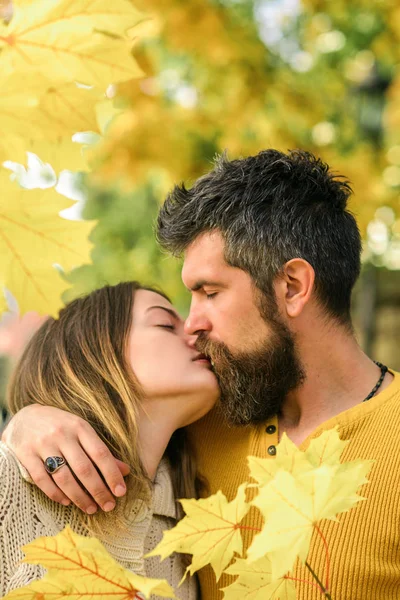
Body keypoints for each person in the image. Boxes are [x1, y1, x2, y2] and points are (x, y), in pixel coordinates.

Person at [3, 149, 400, 599]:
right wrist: (25, 422)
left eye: (210, 292)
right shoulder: (204, 423)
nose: (193, 323)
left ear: (292, 286)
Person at [0, 281, 218, 598]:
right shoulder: (10, 486)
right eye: (165, 324)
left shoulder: (190, 526)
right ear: (90, 350)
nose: (196, 332)